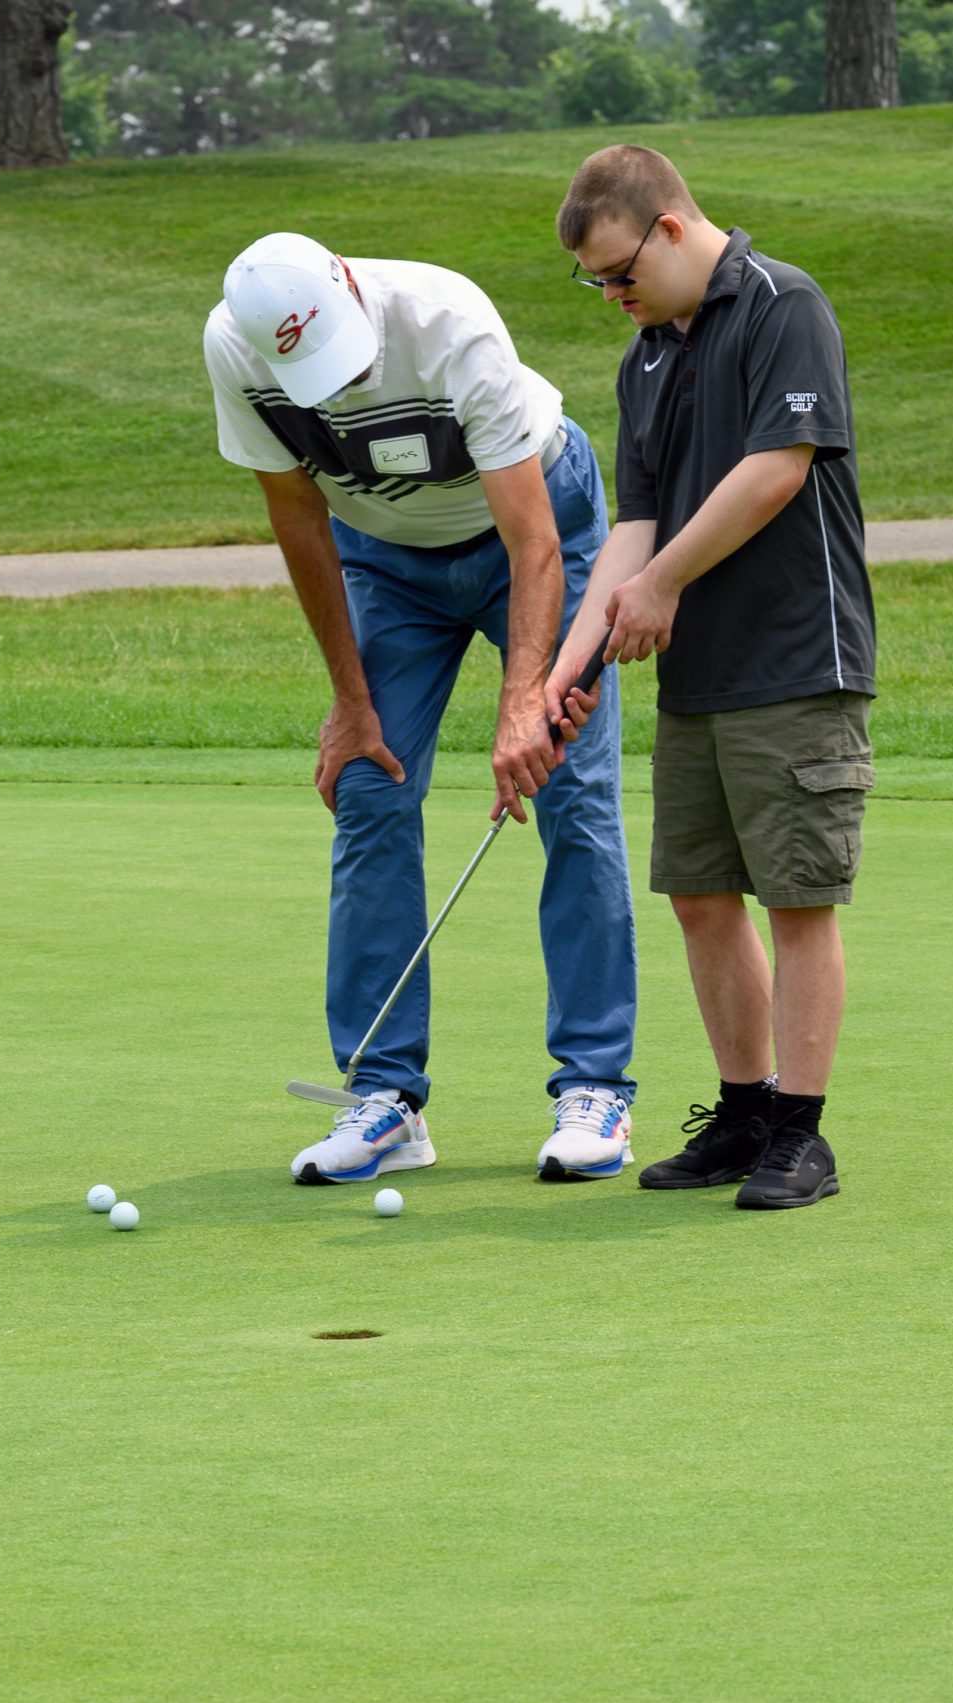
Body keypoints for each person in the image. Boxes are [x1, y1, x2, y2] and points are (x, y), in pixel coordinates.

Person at [203, 231, 639, 1186]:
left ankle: (595, 1088)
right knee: (368, 786)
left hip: (532, 527)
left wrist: (523, 702)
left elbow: (534, 543)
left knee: (572, 792)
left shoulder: (447, 320)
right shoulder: (235, 347)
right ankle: (384, 1096)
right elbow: (297, 519)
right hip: (384, 561)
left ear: (352, 288)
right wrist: (348, 701)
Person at [546, 146, 875, 1211]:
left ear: (672, 228)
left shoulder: (785, 304)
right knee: (699, 892)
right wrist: (568, 665)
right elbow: (630, 527)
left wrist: (662, 589)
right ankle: (742, 1110)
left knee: (796, 896)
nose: (611, 297)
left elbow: (776, 470)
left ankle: (800, 1133)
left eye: (618, 272)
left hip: (793, 656)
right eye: (594, 283)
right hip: (695, 668)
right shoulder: (645, 354)